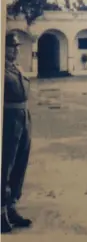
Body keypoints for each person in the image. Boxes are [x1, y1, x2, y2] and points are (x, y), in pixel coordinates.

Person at [2, 32, 33, 233]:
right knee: (6, 164)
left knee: (21, 162)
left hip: (24, 116)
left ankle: (12, 206)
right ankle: (1, 211)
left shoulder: (17, 68)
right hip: (8, 117)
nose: (15, 50)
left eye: (16, 46)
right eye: (11, 46)